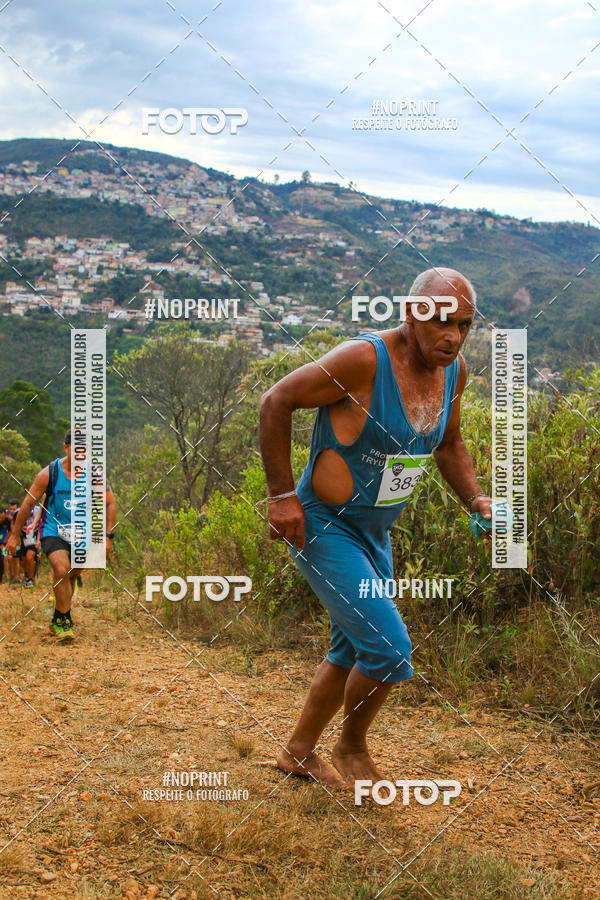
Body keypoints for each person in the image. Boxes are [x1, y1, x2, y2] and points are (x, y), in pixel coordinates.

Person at [259, 267, 493, 790]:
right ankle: (351, 745)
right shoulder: (363, 360)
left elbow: (449, 444)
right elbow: (276, 401)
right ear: (411, 315)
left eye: (464, 325)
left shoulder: (452, 371)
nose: (453, 336)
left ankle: (298, 753)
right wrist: (281, 496)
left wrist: (476, 500)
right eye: (441, 322)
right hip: (324, 527)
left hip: (375, 535)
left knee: (350, 648)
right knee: (388, 649)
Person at [5, 428, 116, 640]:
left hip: (81, 533)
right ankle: (65, 622)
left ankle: (58, 617)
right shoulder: (49, 473)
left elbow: (110, 503)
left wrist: (107, 536)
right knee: (62, 569)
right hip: (53, 529)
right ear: (66, 448)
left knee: (72, 574)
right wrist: (14, 535)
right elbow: (28, 503)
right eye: (76, 449)